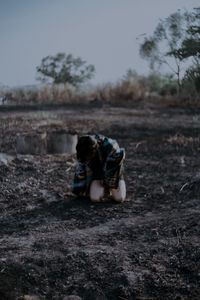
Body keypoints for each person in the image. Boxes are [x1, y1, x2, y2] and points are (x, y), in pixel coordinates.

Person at [73, 134, 126, 202]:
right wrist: (80, 190)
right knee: (95, 198)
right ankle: (100, 190)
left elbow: (113, 170)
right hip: (97, 174)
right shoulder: (83, 148)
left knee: (119, 198)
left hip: (114, 172)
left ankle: (116, 186)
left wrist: (107, 184)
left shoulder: (111, 146)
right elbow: (81, 172)